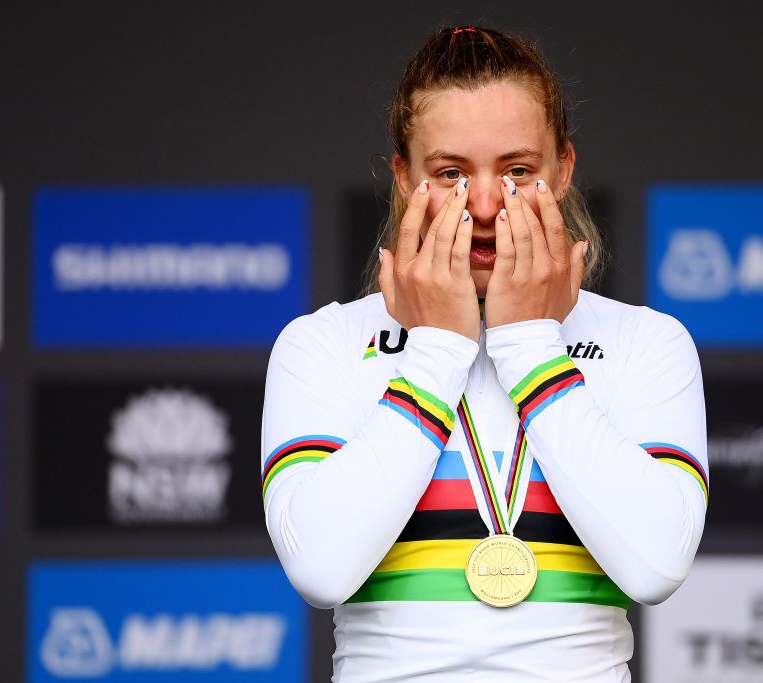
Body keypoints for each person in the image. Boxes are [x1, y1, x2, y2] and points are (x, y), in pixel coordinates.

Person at [261, 25, 708, 682]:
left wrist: (530, 347)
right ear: (403, 178)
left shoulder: (646, 344)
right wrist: (438, 349)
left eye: (518, 170)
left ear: (564, 171)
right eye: (450, 173)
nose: (487, 203)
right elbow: (321, 570)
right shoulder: (321, 345)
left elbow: (658, 565)